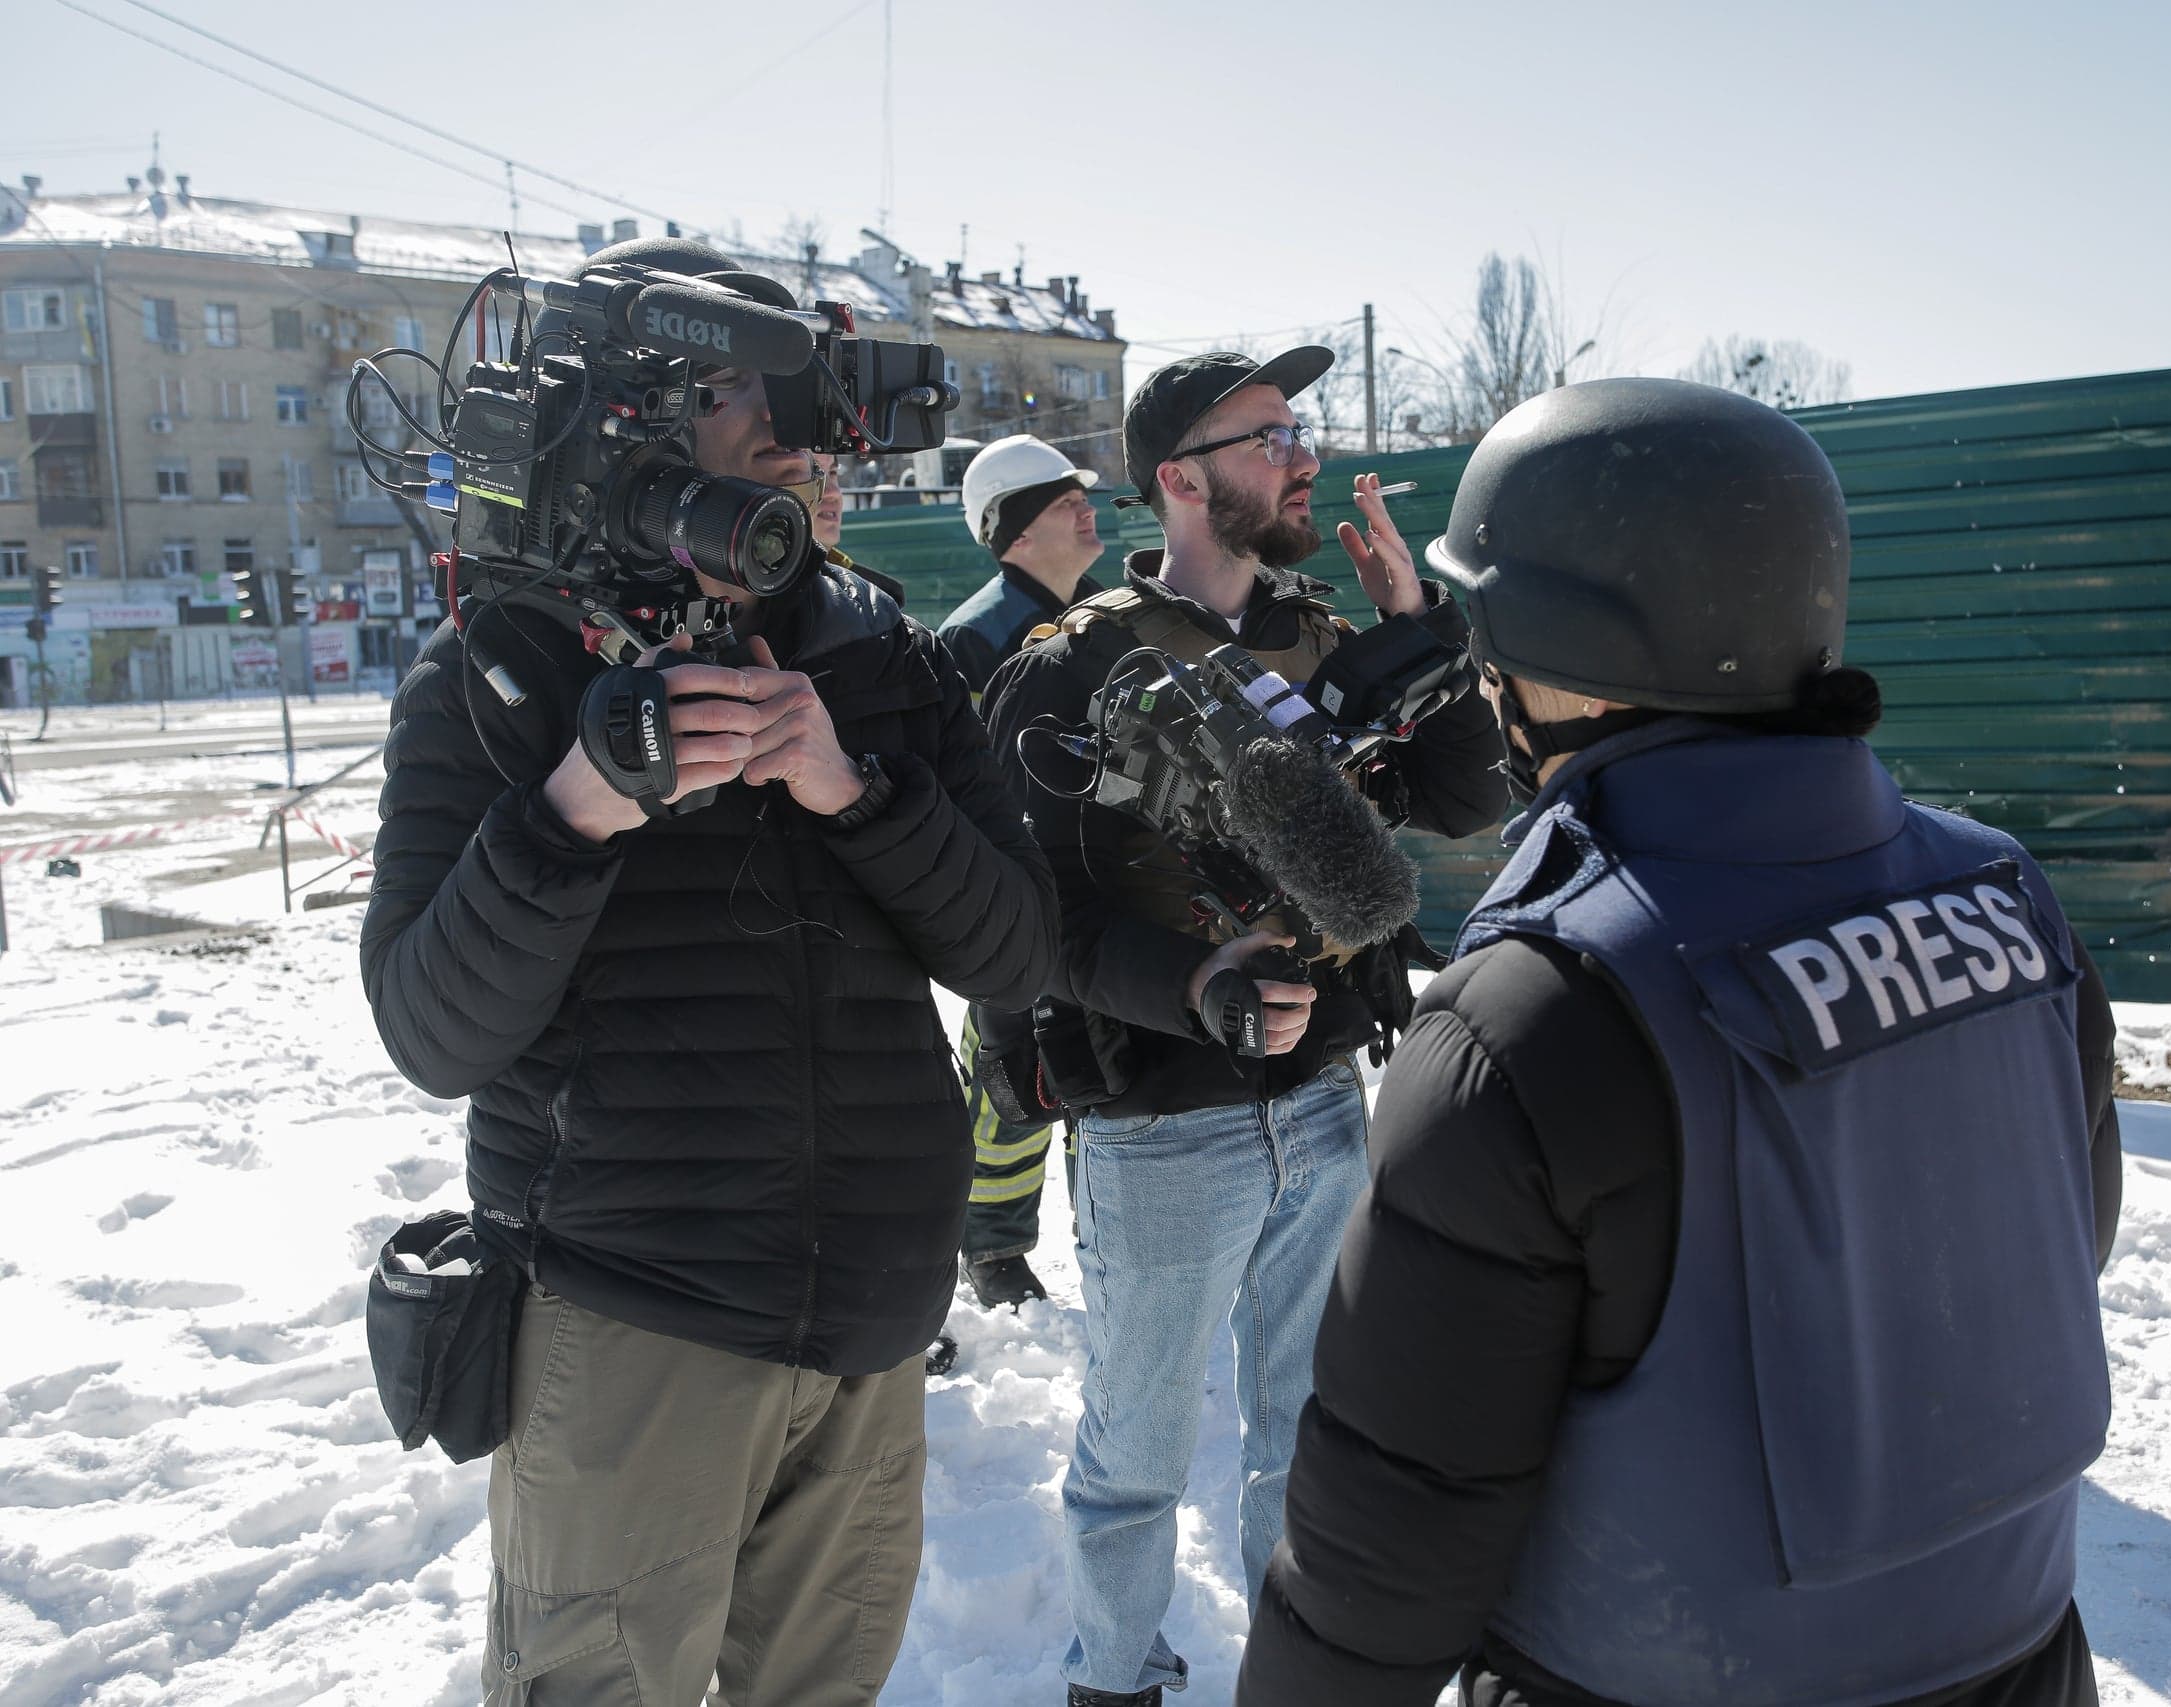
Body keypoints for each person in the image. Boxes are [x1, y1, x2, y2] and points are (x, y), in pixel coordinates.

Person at [1237, 377, 2124, 1707]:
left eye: (1486, 623)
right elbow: (2060, 1237)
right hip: (2024, 1652)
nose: (1477, 667)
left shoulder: (1531, 1008)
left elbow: (1401, 1510)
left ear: (1554, 647)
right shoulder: (2005, 893)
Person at [361, 236, 1059, 1706]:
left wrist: (856, 790)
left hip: (873, 1331)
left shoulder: (885, 655)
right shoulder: (503, 664)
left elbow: (1015, 947)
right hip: (634, 1328)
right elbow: (433, 1027)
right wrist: (574, 813)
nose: (797, 429)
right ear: (632, 402)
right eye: (752, 385)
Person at [981, 347, 1508, 1706]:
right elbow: (1040, 926)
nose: (1303, 456)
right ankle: (1112, 1675)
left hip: (1328, 1098)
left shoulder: (1318, 632)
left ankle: (1300, 1666)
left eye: (1299, 428)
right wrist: (1198, 984)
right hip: (1161, 1125)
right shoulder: (1071, 664)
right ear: (1180, 478)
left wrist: (1423, 629)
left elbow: (1461, 803)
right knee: (1137, 1448)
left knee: (1309, 1431)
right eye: (1268, 434)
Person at [939, 434, 1109, 1317]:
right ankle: (995, 1244)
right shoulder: (973, 639)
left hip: (1103, 893)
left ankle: (1106, 1230)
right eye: (1060, 500)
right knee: (1011, 1075)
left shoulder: (1111, 616)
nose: (1087, 506)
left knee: (1104, 1070)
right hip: (1016, 902)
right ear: (1012, 531)